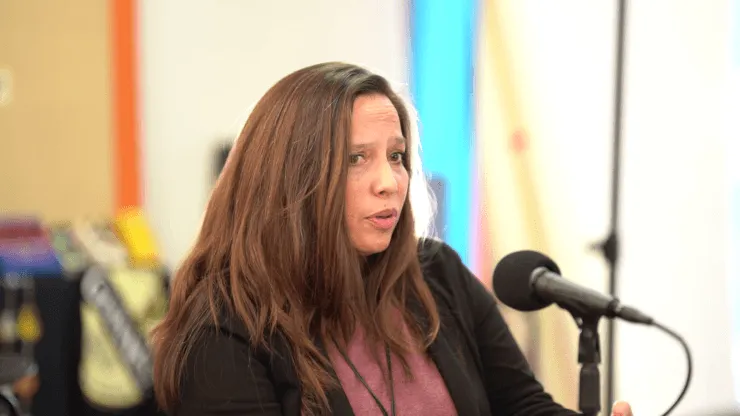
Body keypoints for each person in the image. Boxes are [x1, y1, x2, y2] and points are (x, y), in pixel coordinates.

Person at [151, 62, 633, 416]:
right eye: (356, 158)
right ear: (292, 180)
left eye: (397, 156)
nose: (390, 182)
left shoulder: (437, 273)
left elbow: (521, 405)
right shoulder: (224, 326)